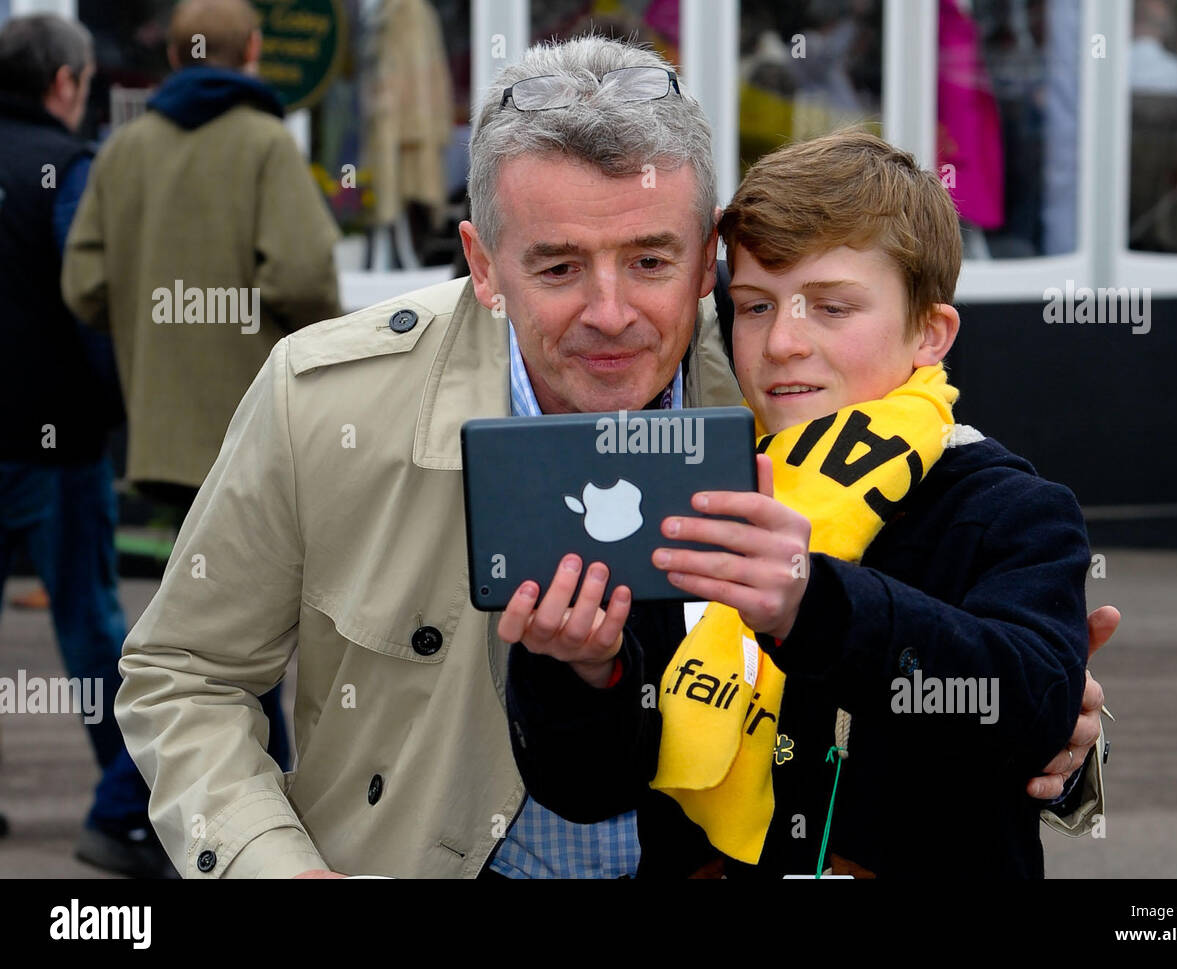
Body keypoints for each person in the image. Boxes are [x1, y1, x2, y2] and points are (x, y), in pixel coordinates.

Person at [112, 36, 1110, 879]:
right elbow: (182, 679)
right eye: (556, 267)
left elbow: (950, 621)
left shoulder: (789, 396)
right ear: (482, 263)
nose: (609, 313)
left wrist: (1057, 742)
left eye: (649, 260)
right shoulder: (325, 400)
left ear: (708, 253)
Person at [503, 128, 1109, 877]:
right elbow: (590, 787)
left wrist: (813, 606)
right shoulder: (691, 491)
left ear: (930, 331)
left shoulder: (1010, 508)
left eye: (830, 307)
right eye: (755, 307)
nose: (783, 341)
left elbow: (1030, 709)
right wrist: (586, 674)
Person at [63, 0, 343, 779]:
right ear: (253, 48)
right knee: (251, 648)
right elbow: (302, 274)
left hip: (160, 430)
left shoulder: (125, 149)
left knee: (200, 641)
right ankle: (205, 813)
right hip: (259, 429)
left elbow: (83, 283)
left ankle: (171, 808)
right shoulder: (262, 143)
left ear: (171, 54)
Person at [0, 12, 171, 878]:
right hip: (55, 437)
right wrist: (120, 398)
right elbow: (90, 294)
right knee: (92, 624)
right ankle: (129, 804)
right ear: (64, 85)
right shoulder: (65, 169)